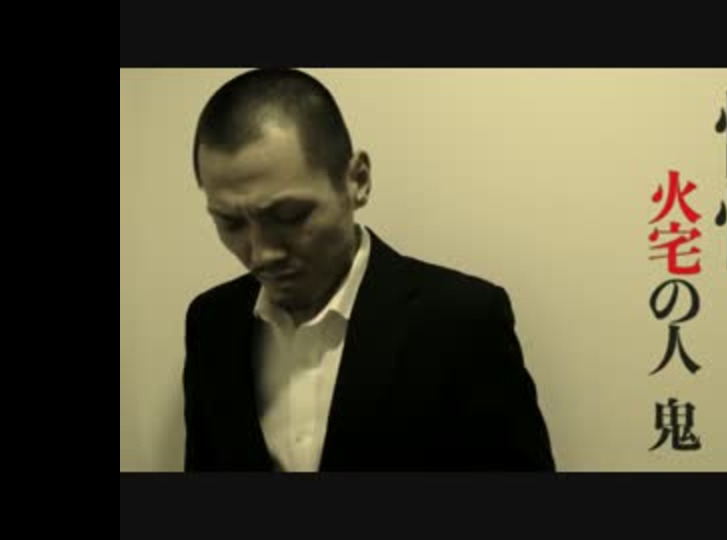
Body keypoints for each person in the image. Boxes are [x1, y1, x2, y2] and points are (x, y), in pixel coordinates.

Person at [182, 68, 555, 471]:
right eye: (230, 223)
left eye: (290, 216)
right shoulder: (211, 323)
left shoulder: (463, 322)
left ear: (357, 180)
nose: (261, 253)